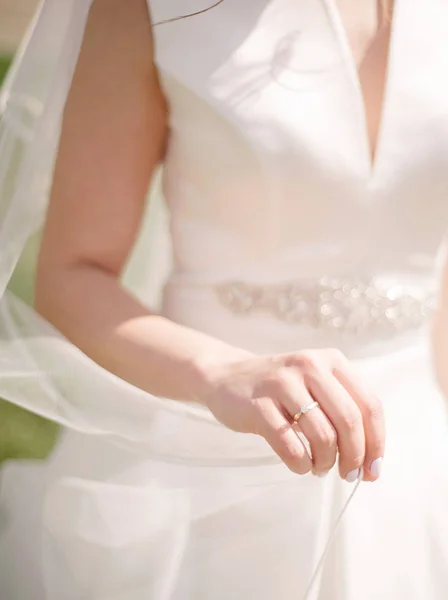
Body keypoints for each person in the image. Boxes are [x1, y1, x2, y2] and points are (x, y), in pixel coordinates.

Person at [1, 0, 448, 598]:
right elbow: (73, 274)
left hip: (421, 457)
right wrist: (221, 373)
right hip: (206, 462)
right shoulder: (147, 8)